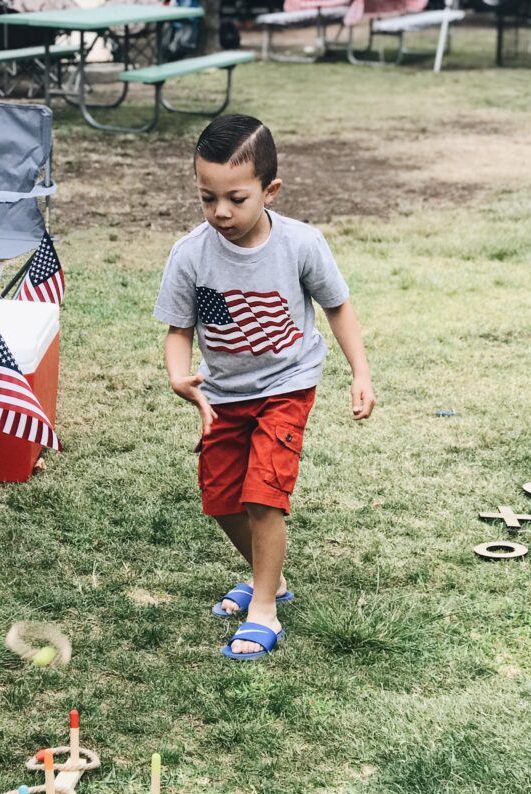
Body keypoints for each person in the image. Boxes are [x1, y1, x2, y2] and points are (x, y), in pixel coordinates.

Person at [154, 114, 376, 660]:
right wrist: (179, 375)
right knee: (221, 499)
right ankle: (268, 580)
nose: (221, 212)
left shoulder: (301, 244)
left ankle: (264, 611)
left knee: (262, 495)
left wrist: (361, 373)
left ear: (269, 190)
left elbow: (338, 306)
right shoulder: (190, 254)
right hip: (223, 394)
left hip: (287, 384)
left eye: (236, 198)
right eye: (207, 199)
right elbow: (179, 331)